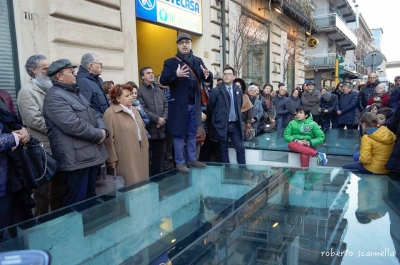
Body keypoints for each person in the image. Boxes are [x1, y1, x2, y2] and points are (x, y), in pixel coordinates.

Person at [43, 59, 108, 206]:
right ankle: (76, 230)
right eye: (71, 72)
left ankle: (90, 228)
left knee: (90, 200)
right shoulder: (54, 97)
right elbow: (73, 125)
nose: (75, 74)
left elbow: (95, 114)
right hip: (76, 160)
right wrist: (99, 134)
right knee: (76, 204)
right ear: (59, 76)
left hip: (88, 156)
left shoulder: (75, 93)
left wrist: (103, 130)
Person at [17, 54, 63, 216]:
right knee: (43, 194)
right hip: (41, 150)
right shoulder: (27, 92)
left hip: (56, 145)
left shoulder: (51, 87)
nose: (50, 71)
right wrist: (62, 128)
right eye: (45, 68)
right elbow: (34, 120)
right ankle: (42, 229)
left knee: (57, 190)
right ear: (34, 70)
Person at [160, 33, 211, 173]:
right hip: (178, 106)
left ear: (190, 44)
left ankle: (192, 159)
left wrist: (208, 75)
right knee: (178, 135)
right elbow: (163, 80)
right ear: (177, 45)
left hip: (194, 104)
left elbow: (207, 77)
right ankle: (180, 162)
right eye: (181, 42)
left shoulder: (198, 60)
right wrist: (175, 75)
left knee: (192, 133)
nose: (184, 45)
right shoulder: (170, 62)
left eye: (187, 42)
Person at [103, 84, 149, 185]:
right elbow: (108, 139)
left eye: (131, 94)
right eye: (127, 96)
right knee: (131, 182)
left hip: (140, 149)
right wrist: (111, 158)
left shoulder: (134, 110)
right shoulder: (110, 113)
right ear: (118, 98)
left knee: (143, 180)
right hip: (125, 154)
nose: (131, 97)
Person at [0, 109, 34, 229]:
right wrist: (14, 137)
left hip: (11, 179)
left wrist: (25, 132)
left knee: (16, 225)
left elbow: (13, 124)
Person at [208, 66, 246, 164]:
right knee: (223, 150)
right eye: (224, 74)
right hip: (222, 125)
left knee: (240, 149)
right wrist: (217, 119)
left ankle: (242, 170)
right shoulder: (216, 91)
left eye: (229, 74)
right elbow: (210, 108)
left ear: (234, 77)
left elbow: (239, 105)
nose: (226, 76)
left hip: (235, 125)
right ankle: (227, 172)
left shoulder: (238, 90)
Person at [137, 66, 168, 176]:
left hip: (161, 128)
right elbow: (142, 109)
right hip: (150, 129)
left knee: (160, 154)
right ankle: (149, 177)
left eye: (152, 72)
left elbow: (166, 105)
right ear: (142, 77)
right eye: (148, 73)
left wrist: (163, 119)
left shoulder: (159, 90)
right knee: (148, 155)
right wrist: (157, 119)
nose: (151, 75)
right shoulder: (139, 91)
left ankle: (158, 175)